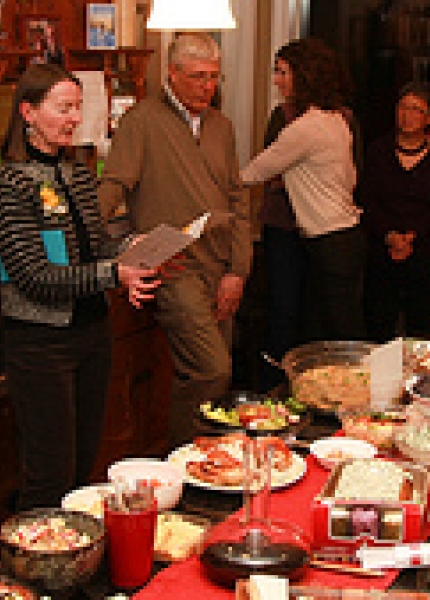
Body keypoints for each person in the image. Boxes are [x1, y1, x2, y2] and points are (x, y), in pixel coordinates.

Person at [0, 64, 162, 510]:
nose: (73, 119)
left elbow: (96, 247)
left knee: (83, 466)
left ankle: (74, 567)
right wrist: (113, 274)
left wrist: (130, 249)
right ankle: (39, 570)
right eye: (63, 108)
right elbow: (35, 276)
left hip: (91, 333)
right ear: (27, 112)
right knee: (49, 474)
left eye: (77, 108)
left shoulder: (78, 173)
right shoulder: (10, 185)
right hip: (41, 343)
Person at [97, 33, 252, 454]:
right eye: (198, 77)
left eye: (214, 78)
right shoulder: (142, 121)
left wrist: (238, 270)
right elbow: (113, 185)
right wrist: (83, 226)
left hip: (220, 264)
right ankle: (182, 456)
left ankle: (208, 463)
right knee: (212, 369)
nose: (207, 86)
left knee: (218, 372)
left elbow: (238, 199)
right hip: (174, 266)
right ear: (172, 73)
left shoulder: (222, 126)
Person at [242, 38, 364, 344]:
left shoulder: (304, 128)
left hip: (330, 241)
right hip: (345, 236)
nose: (276, 80)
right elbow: (349, 179)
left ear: (304, 75)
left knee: (341, 336)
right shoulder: (336, 120)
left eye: (283, 72)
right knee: (334, 331)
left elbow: (252, 174)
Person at [361, 82, 430, 343]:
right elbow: (367, 200)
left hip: (426, 251)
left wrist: (411, 237)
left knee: (423, 328)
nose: (407, 115)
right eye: (403, 107)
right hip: (382, 248)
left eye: (416, 109)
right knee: (378, 325)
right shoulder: (377, 151)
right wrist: (390, 236)